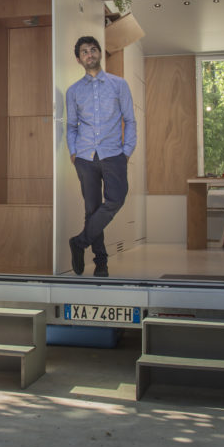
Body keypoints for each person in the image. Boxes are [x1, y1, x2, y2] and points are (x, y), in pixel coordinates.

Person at [66, 36, 136, 278]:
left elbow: (130, 120)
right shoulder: (73, 91)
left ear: (99, 54)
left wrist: (127, 151)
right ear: (79, 59)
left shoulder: (119, 85)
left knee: (116, 200)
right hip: (85, 157)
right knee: (92, 209)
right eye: (84, 52)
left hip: (114, 154)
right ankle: (101, 263)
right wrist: (73, 153)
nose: (89, 54)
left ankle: (80, 242)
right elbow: (71, 126)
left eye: (93, 50)